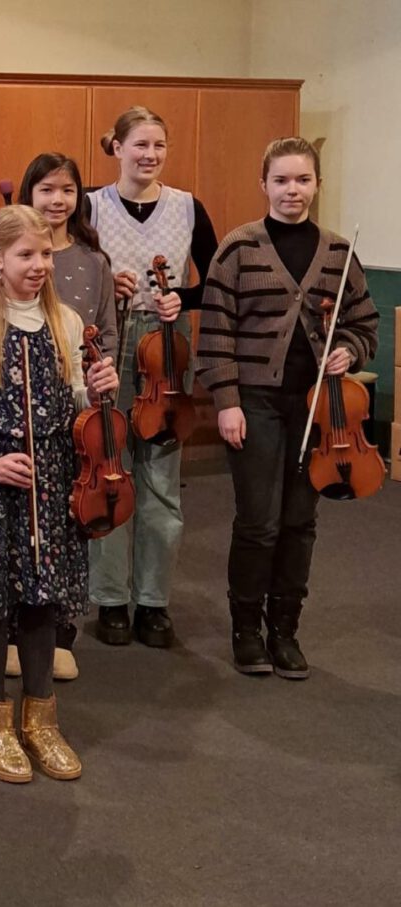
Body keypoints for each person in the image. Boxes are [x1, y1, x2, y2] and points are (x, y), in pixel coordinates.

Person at [0, 205, 118, 783]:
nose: (39, 265)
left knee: (42, 596)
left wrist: (96, 393)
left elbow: (77, 402)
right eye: (26, 255)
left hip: (52, 479)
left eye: (46, 254)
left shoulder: (66, 322)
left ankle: (40, 720)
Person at [197, 137, 378, 679]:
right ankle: (246, 630)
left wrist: (350, 349)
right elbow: (216, 334)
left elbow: (364, 323)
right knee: (259, 522)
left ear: (317, 184)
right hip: (254, 403)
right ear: (264, 184)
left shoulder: (339, 253)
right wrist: (227, 402)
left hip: (319, 410)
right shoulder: (237, 249)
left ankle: (285, 631)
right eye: (281, 180)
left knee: (300, 521)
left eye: (302, 180)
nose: (291, 190)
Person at [85, 106, 218, 649]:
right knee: (109, 469)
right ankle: (111, 598)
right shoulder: (90, 205)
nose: (150, 154)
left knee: (162, 477)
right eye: (140, 144)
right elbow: (67, 275)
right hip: (109, 343)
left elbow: (214, 282)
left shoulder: (188, 207)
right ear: (117, 148)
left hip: (165, 349)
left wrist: (180, 296)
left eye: (159, 145)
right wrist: (104, 287)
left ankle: (154, 601)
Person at [6, 151, 118, 682]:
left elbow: (107, 331)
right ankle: (15, 629)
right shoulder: (14, 253)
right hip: (23, 413)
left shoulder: (94, 261)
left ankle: (61, 632)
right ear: (30, 194)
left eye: (68, 190)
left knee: (71, 521)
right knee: (21, 526)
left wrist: (98, 377)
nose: (57, 200)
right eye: (47, 189)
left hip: (76, 414)